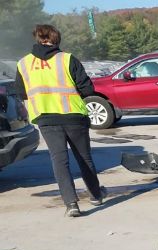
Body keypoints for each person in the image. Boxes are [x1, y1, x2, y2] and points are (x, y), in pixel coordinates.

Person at [15, 24, 106, 217]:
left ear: (37, 39)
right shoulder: (67, 59)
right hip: (73, 115)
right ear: (56, 39)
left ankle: (71, 204)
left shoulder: (23, 64)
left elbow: (22, 93)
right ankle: (96, 195)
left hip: (45, 118)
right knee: (84, 157)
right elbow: (88, 89)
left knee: (59, 160)